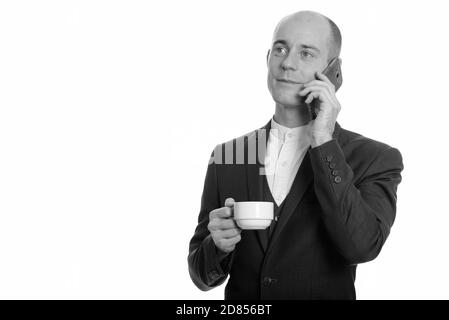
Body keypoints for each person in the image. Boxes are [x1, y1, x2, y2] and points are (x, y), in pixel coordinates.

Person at [187, 10, 403, 299]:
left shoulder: (375, 158)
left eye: (306, 53)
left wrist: (323, 140)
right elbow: (201, 276)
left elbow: (361, 247)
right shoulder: (228, 155)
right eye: (280, 49)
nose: (287, 63)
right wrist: (218, 246)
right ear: (267, 59)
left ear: (332, 70)